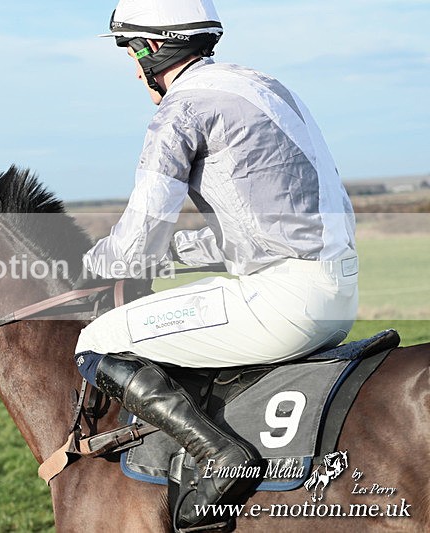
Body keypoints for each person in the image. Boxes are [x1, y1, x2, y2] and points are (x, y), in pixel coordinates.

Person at [73, 0, 358, 529]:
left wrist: (86, 262)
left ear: (154, 48)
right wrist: (175, 257)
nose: (135, 70)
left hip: (284, 303)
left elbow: (137, 240)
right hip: (337, 294)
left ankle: (221, 457)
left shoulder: (178, 111)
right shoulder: (266, 88)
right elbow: (253, 230)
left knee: (96, 342)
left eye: (133, 53)